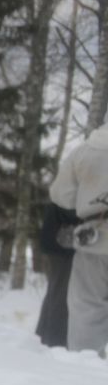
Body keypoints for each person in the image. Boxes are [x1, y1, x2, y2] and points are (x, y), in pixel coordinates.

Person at [50, 124, 108, 354]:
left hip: (96, 237)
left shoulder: (87, 149)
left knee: (87, 306)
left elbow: (61, 195)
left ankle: (86, 365)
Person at [35, 201, 78, 348]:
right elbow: (65, 205)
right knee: (62, 292)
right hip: (63, 242)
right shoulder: (73, 182)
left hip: (63, 239)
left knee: (57, 291)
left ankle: (44, 337)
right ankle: (55, 342)